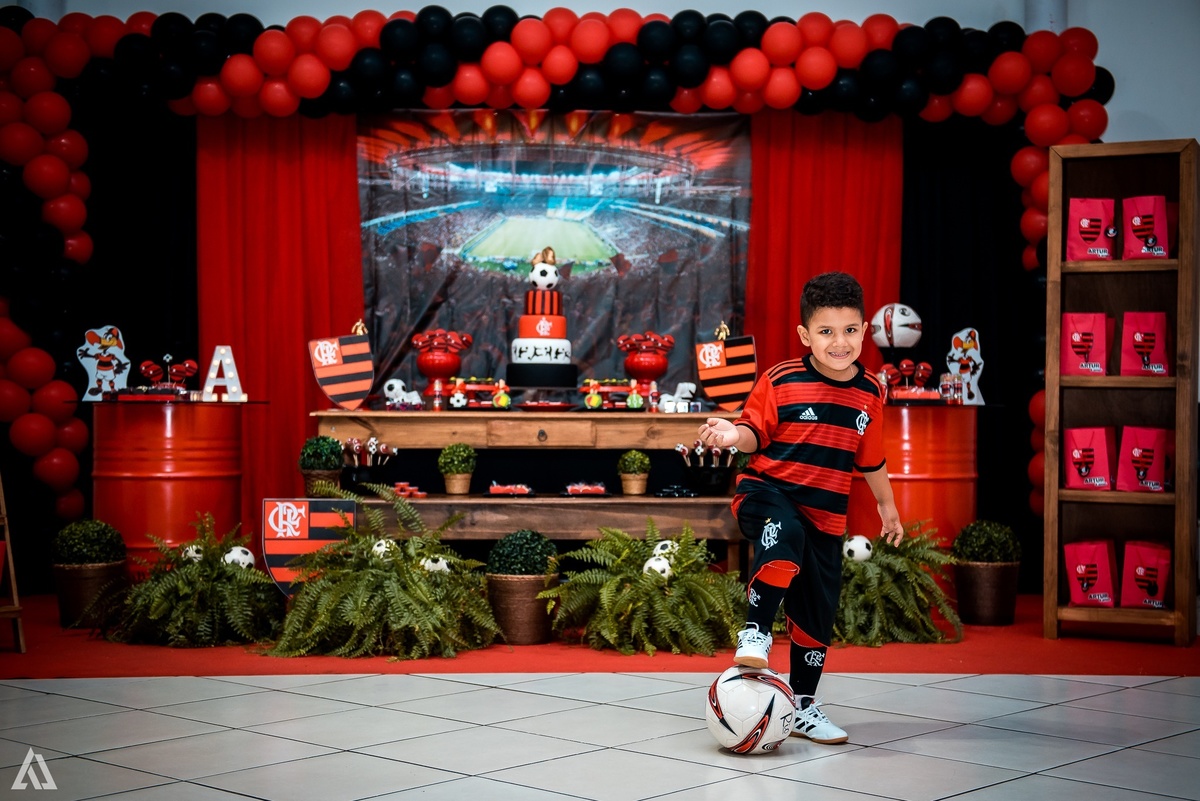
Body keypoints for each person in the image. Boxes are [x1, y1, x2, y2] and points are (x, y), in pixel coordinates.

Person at [698, 270, 904, 745]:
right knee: (785, 537)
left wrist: (887, 506)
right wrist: (733, 435)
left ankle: (804, 707)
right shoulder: (781, 379)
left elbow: (870, 458)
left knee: (817, 613)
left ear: (864, 332)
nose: (839, 342)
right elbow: (753, 430)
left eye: (850, 330)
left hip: (827, 517)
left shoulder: (871, 391)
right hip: (767, 494)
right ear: (805, 335)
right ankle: (754, 633)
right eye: (827, 332)